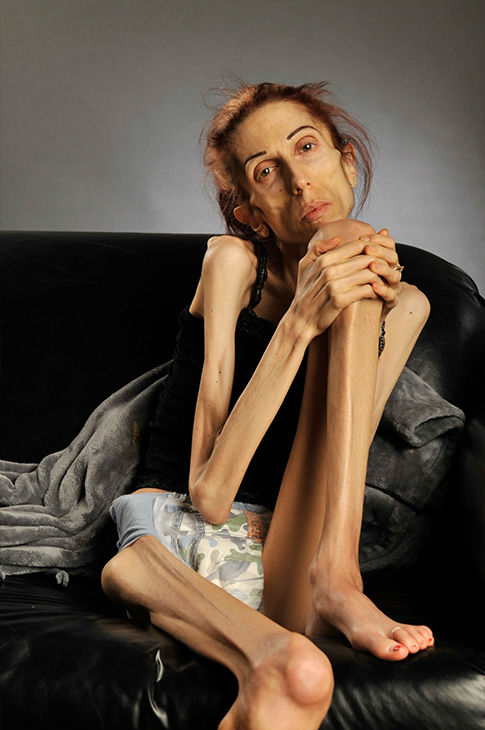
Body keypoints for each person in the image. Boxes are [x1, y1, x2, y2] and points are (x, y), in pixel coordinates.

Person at [101, 81, 433, 729]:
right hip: (177, 529)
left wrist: (364, 316)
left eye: (306, 148)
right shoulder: (231, 263)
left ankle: (338, 577)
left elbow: (341, 453)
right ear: (252, 213)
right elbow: (209, 495)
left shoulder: (407, 304)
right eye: (266, 172)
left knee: (351, 252)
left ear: (346, 163)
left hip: (280, 549)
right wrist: (300, 322)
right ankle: (332, 584)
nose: (298, 180)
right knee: (299, 672)